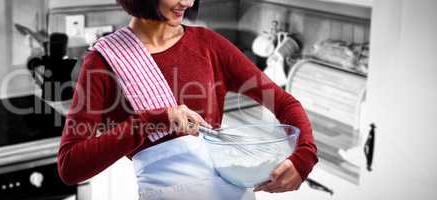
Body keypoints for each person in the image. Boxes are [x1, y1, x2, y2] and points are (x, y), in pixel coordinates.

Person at [57, 0, 317, 199]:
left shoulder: (208, 45)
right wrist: (155, 120)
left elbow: (284, 103)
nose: (188, 2)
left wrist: (303, 159)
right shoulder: (104, 61)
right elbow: (70, 166)